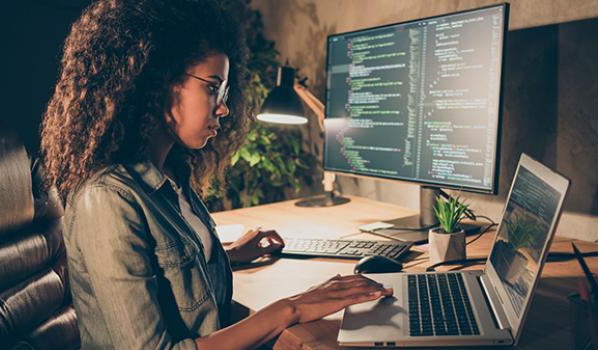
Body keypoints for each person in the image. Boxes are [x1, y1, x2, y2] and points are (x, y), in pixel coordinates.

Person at [40, 1, 393, 349]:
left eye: (223, 92)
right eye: (212, 87)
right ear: (158, 81)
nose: (223, 107)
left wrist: (228, 255)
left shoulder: (170, 176)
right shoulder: (107, 200)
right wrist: (293, 307)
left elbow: (168, 270)